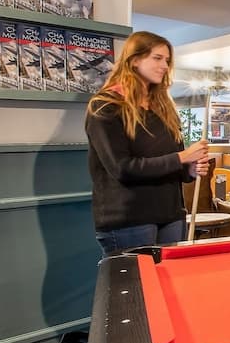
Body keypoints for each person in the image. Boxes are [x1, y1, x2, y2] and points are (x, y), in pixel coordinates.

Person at [85, 31, 210, 256]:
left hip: (171, 215)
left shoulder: (163, 108)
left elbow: (174, 162)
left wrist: (189, 169)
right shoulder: (105, 106)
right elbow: (122, 168)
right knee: (136, 280)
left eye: (167, 60)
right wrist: (182, 158)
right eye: (157, 58)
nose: (165, 66)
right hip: (128, 220)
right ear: (134, 60)